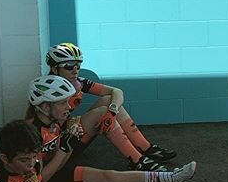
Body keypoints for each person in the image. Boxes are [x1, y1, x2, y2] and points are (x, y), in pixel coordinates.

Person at [25, 74, 197, 182]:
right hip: (50, 178)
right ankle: (145, 170)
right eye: (62, 103)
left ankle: (171, 176)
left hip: (59, 162)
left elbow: (116, 92)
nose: (69, 107)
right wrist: (64, 148)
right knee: (110, 176)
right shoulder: (31, 135)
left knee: (110, 175)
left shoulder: (52, 121)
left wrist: (68, 143)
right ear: (45, 107)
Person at [43, 42, 175, 171]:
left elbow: (117, 92)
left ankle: (146, 148)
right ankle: (137, 160)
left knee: (108, 100)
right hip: (58, 149)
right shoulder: (46, 90)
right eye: (69, 66)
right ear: (55, 68)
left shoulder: (78, 83)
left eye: (78, 65)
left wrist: (112, 111)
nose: (75, 70)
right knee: (101, 112)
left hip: (70, 133)